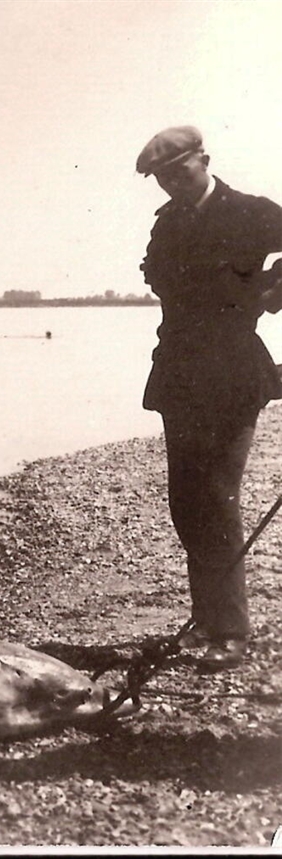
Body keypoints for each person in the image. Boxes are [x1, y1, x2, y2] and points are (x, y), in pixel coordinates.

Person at [136, 125, 282, 671]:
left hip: (233, 371)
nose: (172, 183)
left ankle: (232, 630)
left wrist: (272, 294)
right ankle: (206, 619)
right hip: (180, 373)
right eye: (162, 178)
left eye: (180, 171)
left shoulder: (249, 210)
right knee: (187, 503)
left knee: (217, 498)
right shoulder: (168, 226)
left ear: (204, 160)